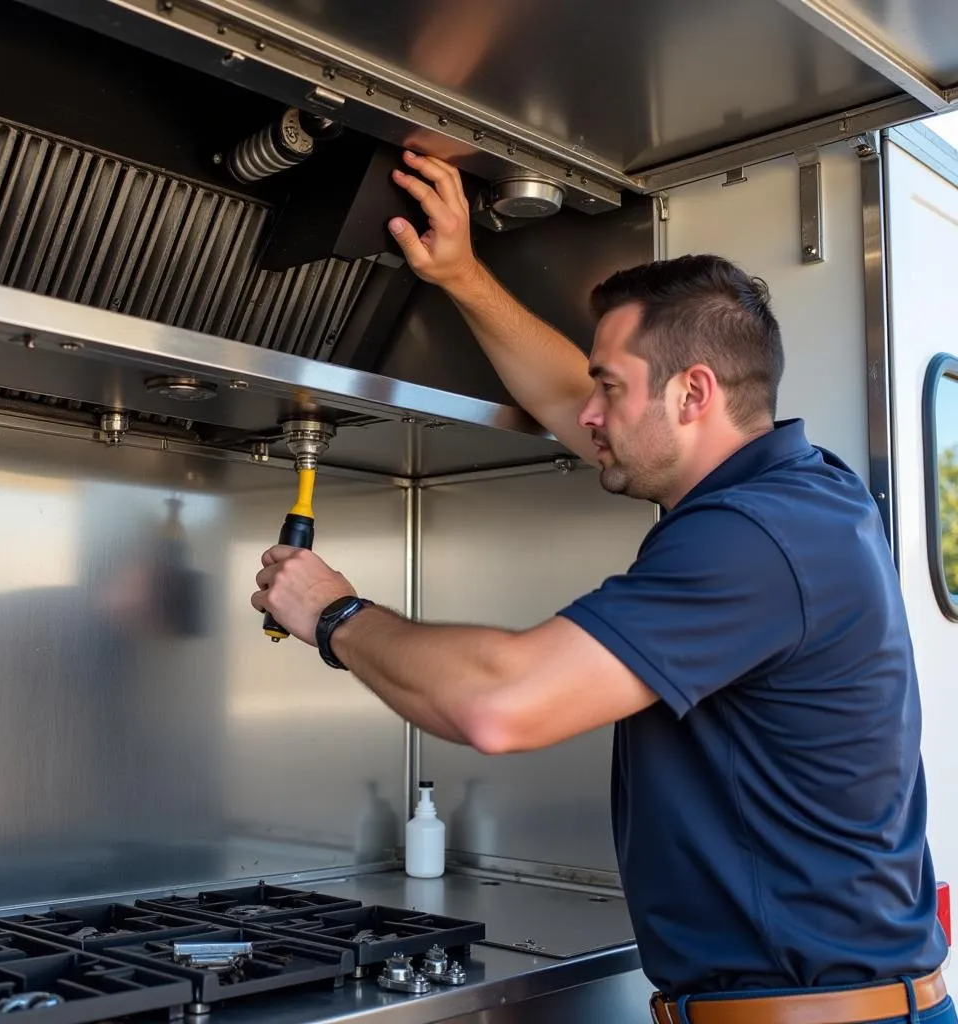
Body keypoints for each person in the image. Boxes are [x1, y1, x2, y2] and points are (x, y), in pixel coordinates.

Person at [251, 151, 952, 1024]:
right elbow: (567, 400)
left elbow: (501, 705)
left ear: (693, 394)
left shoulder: (755, 540)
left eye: (610, 388)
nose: (586, 418)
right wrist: (464, 275)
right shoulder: (795, 494)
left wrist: (332, 613)